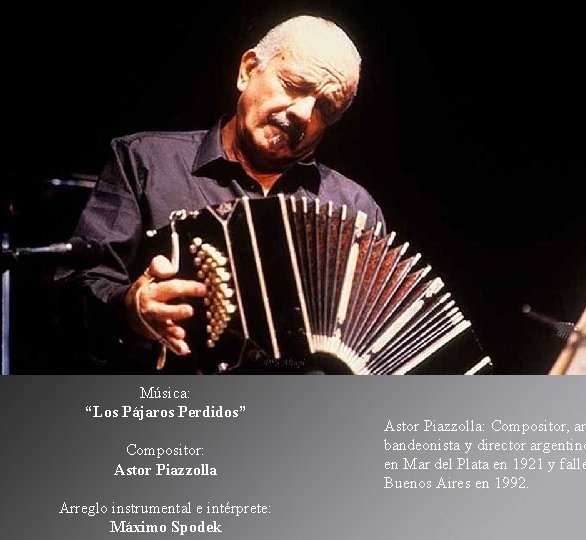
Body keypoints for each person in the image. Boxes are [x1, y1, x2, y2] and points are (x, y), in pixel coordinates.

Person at [54, 14, 385, 374]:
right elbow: (73, 295)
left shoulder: (354, 208)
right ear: (248, 70)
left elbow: (375, 346)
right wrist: (129, 308)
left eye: (325, 108)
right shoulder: (146, 161)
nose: (304, 114)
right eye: (294, 85)